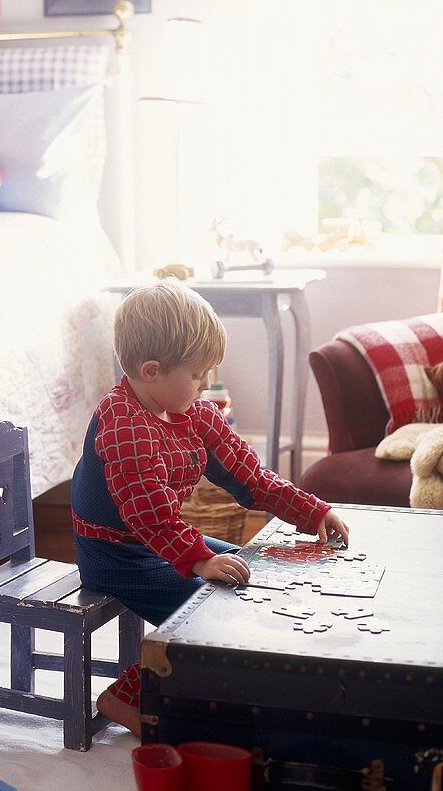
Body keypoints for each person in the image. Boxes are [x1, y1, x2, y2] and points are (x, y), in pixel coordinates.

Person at [71, 280, 349, 737]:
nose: (205, 386)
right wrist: (200, 559)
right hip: (116, 556)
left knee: (251, 574)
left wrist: (312, 511)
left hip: (161, 544)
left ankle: (217, 687)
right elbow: (150, 516)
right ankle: (129, 695)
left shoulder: (193, 413)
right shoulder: (123, 426)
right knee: (210, 609)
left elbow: (249, 476)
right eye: (198, 375)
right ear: (153, 370)